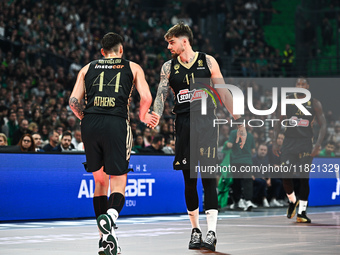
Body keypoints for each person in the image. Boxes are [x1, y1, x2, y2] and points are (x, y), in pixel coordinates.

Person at [151, 23, 247, 252]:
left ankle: (212, 232)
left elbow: (224, 92)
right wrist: (154, 114)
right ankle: (195, 231)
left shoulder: (208, 61)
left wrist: (240, 121)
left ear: (184, 41)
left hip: (206, 123)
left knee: (209, 178)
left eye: (171, 42)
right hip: (183, 125)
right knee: (189, 180)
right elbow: (161, 94)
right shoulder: (168, 67)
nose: (168, 46)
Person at [69, 32, 158, 255]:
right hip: (116, 122)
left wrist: (87, 118)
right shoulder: (133, 67)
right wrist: (142, 115)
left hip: (89, 123)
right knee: (119, 180)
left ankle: (105, 240)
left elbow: (72, 101)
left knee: (99, 181)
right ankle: (110, 217)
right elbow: (146, 97)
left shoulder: (87, 68)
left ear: (102, 52)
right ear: (121, 50)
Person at [273, 77, 327, 223]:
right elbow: (278, 122)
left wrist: (317, 145)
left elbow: (323, 125)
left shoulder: (314, 103)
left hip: (306, 144)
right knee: (286, 175)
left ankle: (302, 212)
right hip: (289, 142)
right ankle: (292, 200)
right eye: (298, 84)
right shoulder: (287, 101)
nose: (301, 85)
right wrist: (274, 142)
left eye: (303, 84)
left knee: (304, 177)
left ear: (308, 86)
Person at [227, 128, 256, 211]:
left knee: (237, 181)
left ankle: (238, 200)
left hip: (236, 161)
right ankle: (248, 200)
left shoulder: (233, 132)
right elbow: (253, 150)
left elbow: (229, 145)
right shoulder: (250, 135)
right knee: (247, 181)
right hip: (247, 161)